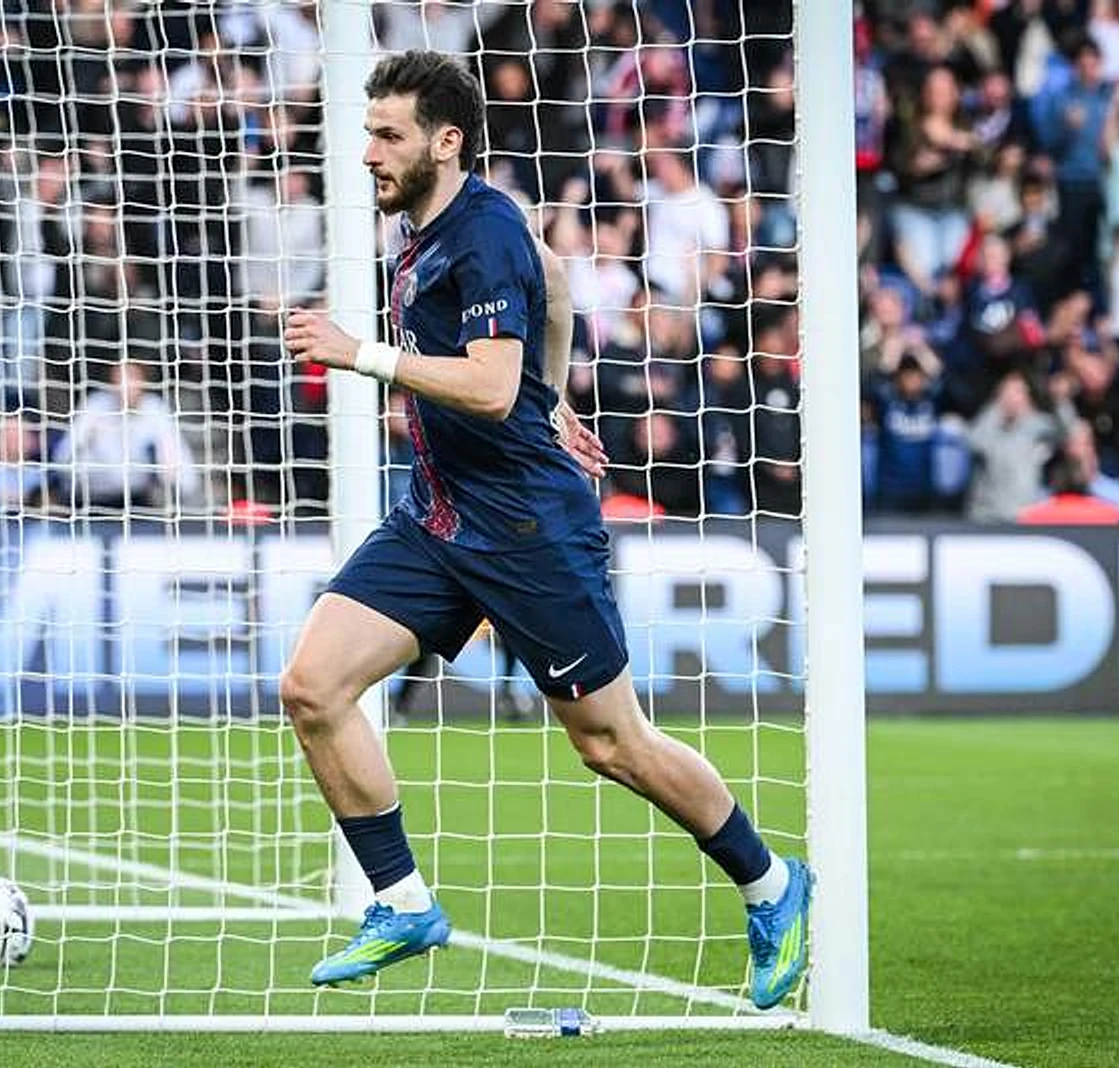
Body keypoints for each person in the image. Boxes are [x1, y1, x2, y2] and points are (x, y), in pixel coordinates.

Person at [279, 51, 810, 1008]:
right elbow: (556, 282)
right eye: (368, 134)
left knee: (612, 745)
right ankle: (402, 901)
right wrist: (554, 395)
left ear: (447, 141)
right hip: (439, 514)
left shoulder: (482, 233)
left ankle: (771, 882)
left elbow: (488, 388)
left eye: (388, 135)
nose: (368, 154)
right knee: (313, 686)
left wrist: (364, 355)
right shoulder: (433, 225)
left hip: (528, 527)